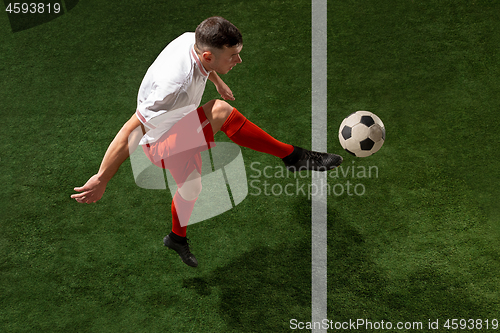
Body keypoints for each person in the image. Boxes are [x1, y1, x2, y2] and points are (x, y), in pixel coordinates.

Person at [71, 17, 342, 267]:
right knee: (220, 112)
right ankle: (293, 157)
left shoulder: (193, 39)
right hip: (160, 144)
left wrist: (217, 80)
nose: (239, 60)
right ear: (209, 55)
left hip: (178, 122)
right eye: (233, 56)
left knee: (191, 188)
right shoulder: (173, 88)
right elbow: (130, 132)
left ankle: (176, 239)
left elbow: (204, 61)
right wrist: (102, 178)